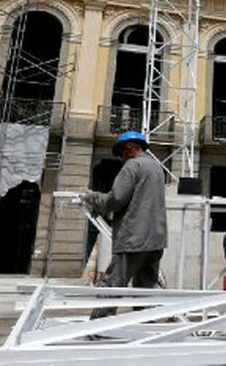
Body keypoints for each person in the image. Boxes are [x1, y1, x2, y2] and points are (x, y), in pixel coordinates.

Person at [81, 130, 167, 318]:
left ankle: (99, 325)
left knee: (113, 284)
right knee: (145, 289)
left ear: (128, 149)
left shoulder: (132, 166)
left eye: (121, 154)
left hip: (133, 238)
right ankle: (145, 324)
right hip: (156, 239)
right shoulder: (157, 168)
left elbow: (115, 200)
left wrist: (92, 197)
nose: (121, 159)